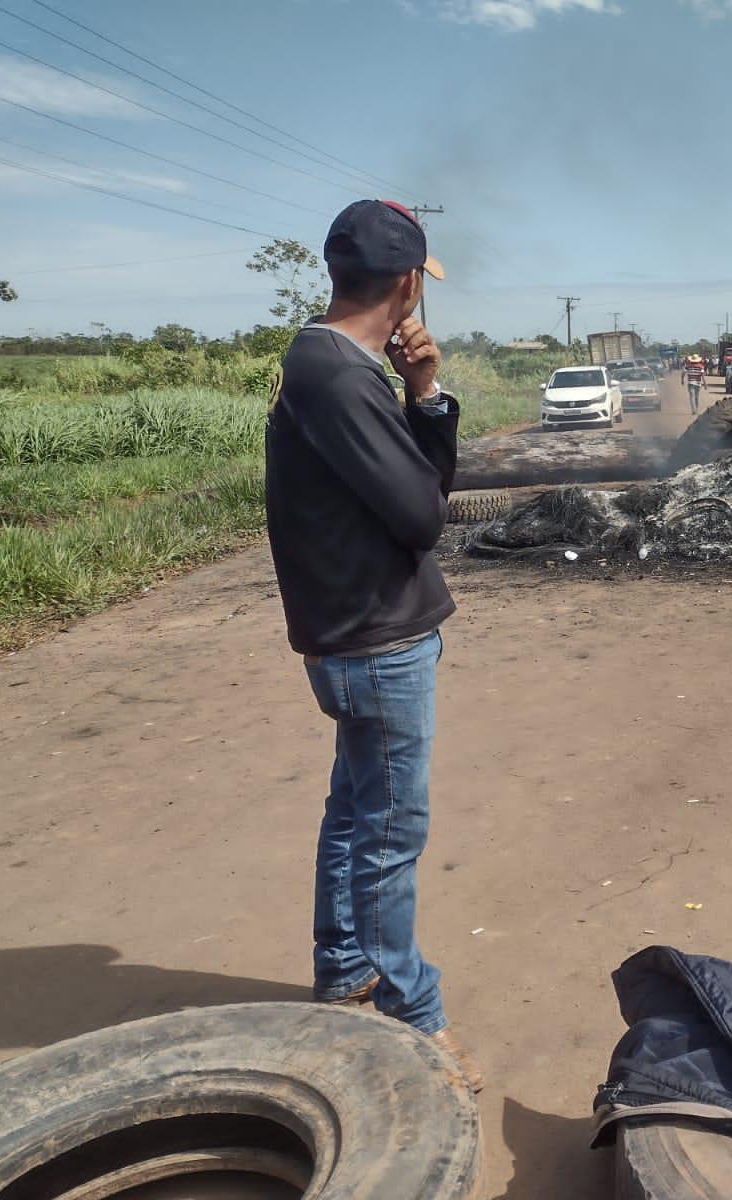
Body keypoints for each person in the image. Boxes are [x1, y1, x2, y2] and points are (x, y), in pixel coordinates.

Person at [264, 199, 483, 1092]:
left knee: (355, 812)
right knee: (391, 832)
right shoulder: (341, 378)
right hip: (375, 641)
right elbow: (426, 514)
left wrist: (424, 394)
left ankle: (345, 966)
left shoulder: (327, 363)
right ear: (406, 284)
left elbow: (416, 491)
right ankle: (413, 1020)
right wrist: (420, 400)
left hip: (351, 632)